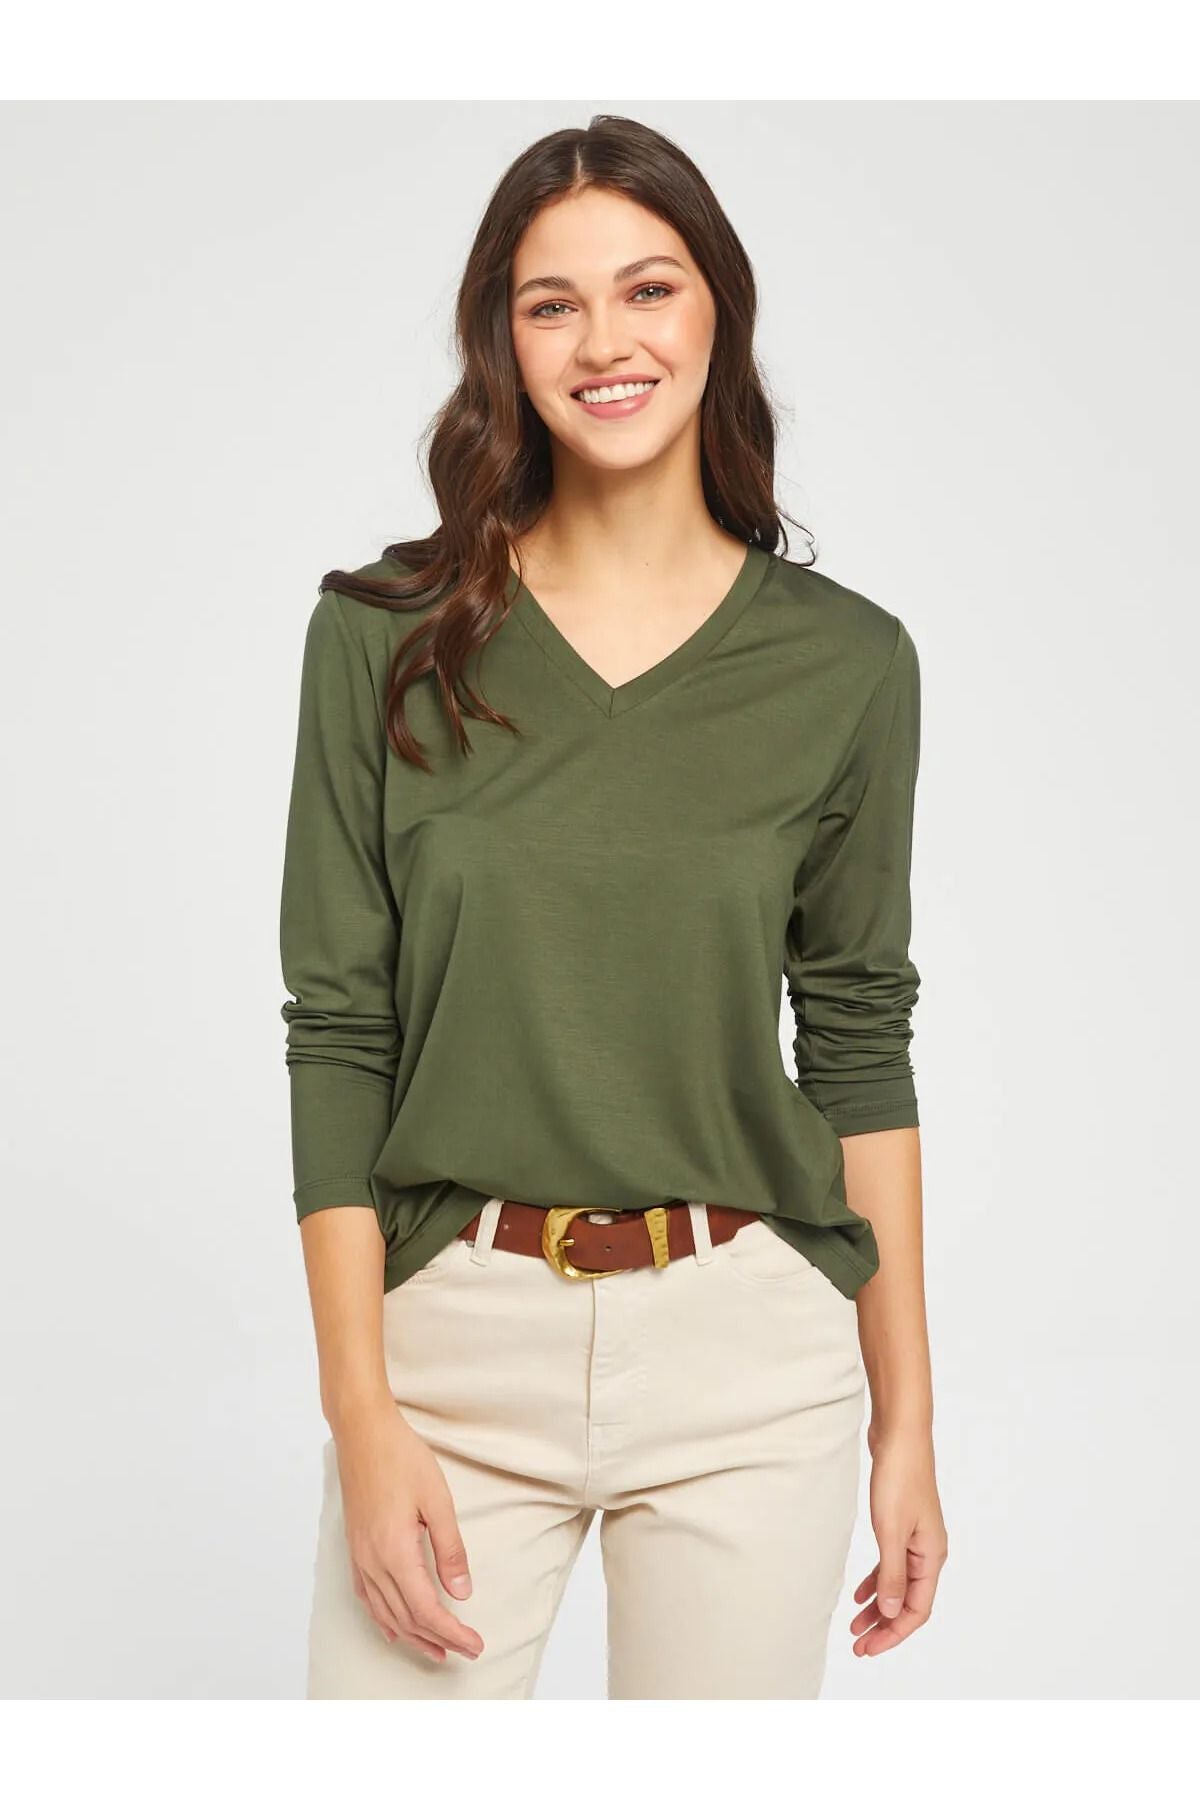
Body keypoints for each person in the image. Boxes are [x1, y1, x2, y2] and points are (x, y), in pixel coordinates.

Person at [278, 113, 948, 1702]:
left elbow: (858, 1037)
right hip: (453, 1349)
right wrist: (362, 1415)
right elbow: (340, 1029)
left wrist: (907, 1421)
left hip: (748, 1355)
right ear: (502, 344)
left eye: (649, 288)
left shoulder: (847, 665)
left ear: (718, 310)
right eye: (551, 303)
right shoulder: (383, 637)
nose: (605, 343)